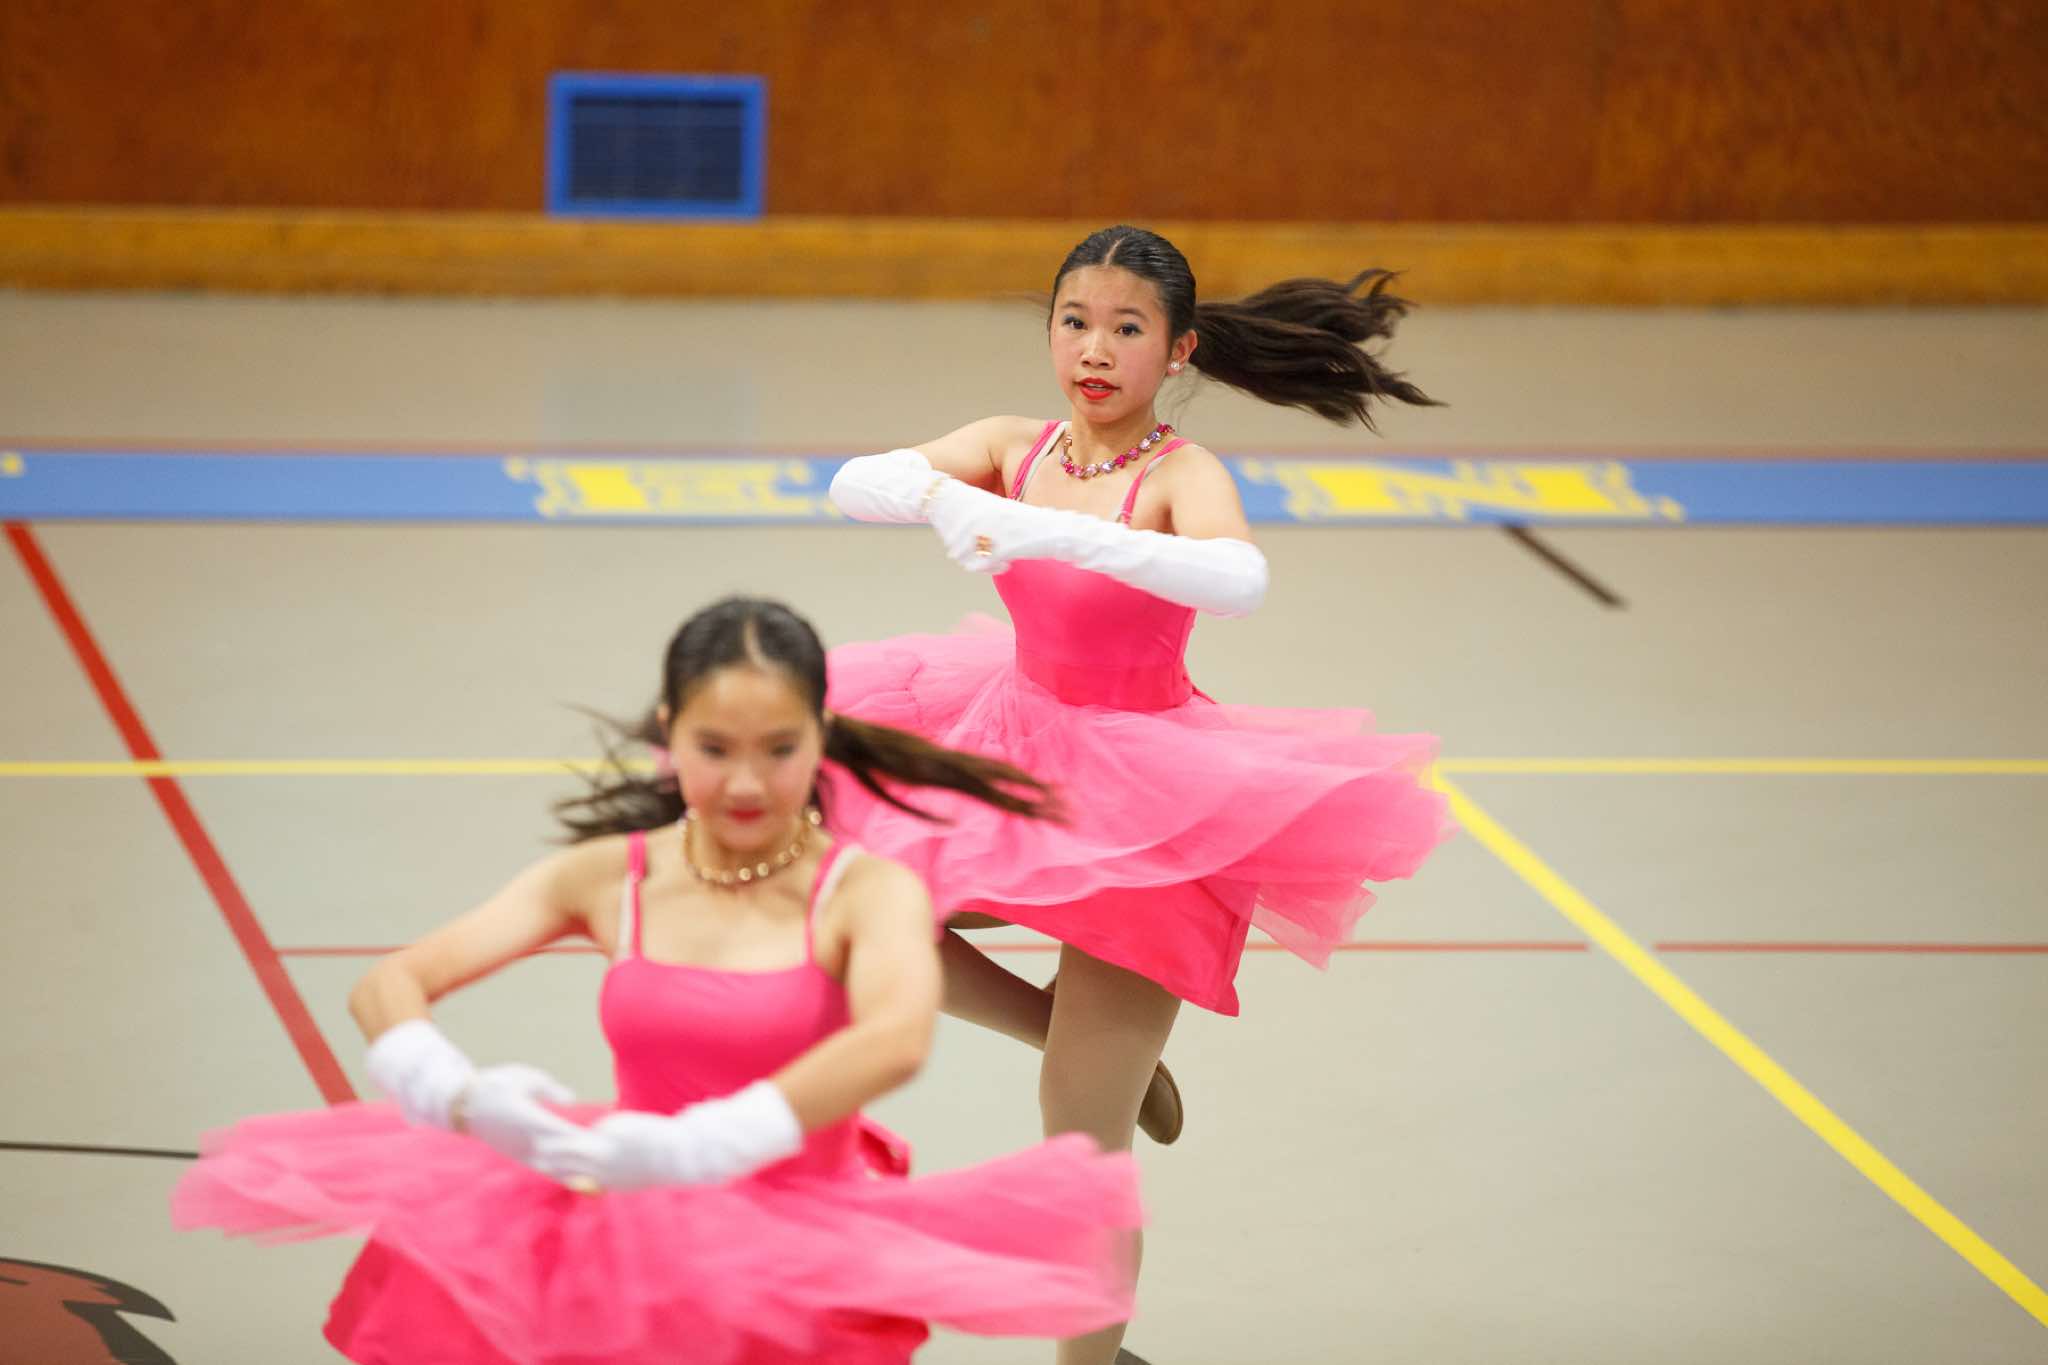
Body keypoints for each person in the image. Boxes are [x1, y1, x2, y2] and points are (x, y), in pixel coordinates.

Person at [173, 596, 1143, 1365]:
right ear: (671, 733)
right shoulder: (609, 878)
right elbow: (391, 985)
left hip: (795, 1248)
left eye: (779, 750)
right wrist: (460, 1096)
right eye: (714, 750)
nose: (746, 785)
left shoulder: (866, 889)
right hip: (625, 1236)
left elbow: (894, 1037)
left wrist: (704, 1144)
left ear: (820, 737)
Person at [827, 224, 1453, 1364]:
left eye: (1127, 329)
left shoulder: (1179, 474)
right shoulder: (1011, 444)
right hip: (1006, 742)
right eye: (1075, 322)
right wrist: (933, 495)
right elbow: (851, 485)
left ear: (1178, 352)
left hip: (1145, 799)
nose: (1095, 349)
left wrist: (1035, 530)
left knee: (1078, 1146)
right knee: (843, 901)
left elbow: (1236, 577)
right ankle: (1047, 1026)